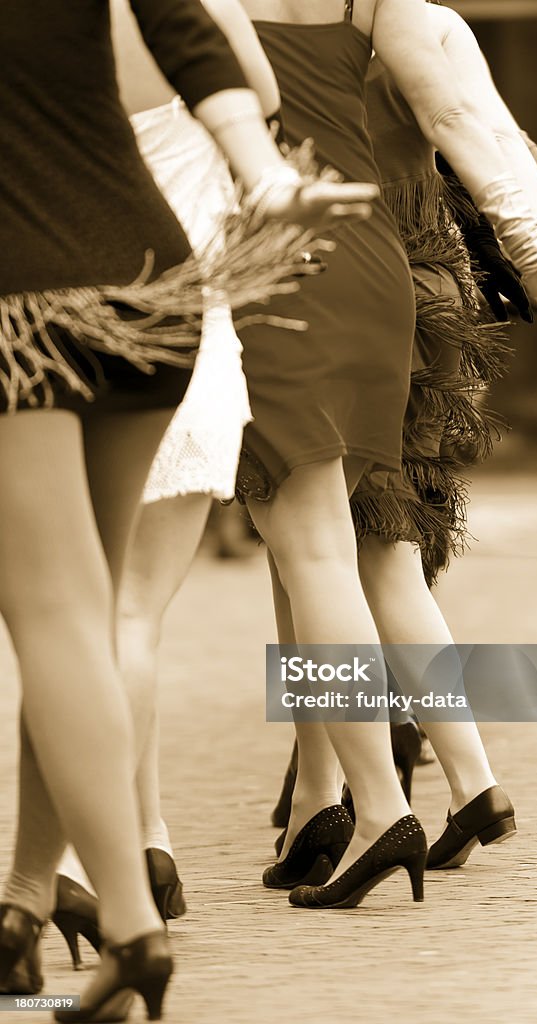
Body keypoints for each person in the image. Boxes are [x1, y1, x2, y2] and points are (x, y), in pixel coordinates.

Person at [0, 1, 377, 1018]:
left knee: (63, 618)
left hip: (22, 303)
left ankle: (130, 928)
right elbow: (195, 31)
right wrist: (262, 174)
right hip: (158, 291)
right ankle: (28, 901)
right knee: (86, 616)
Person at [236, 0, 537, 911]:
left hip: (286, 266)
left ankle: (368, 806)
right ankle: (337, 804)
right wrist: (535, 252)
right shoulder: (383, 5)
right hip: (382, 278)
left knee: (324, 556)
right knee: (336, 555)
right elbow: (474, 122)